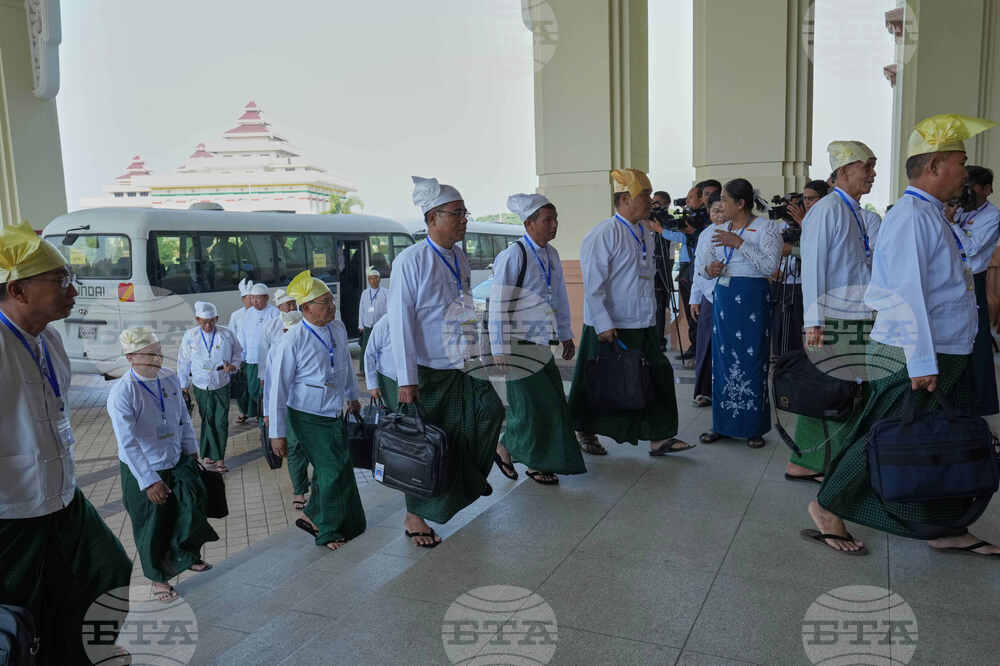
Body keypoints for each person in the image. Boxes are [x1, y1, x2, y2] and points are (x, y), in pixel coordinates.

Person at [804, 113, 1000, 557]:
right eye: (959, 161)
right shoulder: (912, 216)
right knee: (887, 431)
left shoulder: (932, 214)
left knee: (937, 441)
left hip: (943, 350)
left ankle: (945, 525)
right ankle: (825, 506)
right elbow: (905, 295)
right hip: (916, 353)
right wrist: (923, 362)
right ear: (933, 166)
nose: (965, 171)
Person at [0, 222, 133, 665]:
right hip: (12, 510)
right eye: (60, 281)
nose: (72, 290)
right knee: (19, 609)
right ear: (17, 290)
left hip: (62, 496)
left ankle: (78, 653)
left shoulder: (50, 340)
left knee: (108, 569)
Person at [389, 176, 505, 548]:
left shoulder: (458, 257)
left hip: (464, 363)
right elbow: (400, 323)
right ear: (433, 217)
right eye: (457, 213)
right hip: (428, 371)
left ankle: (468, 480)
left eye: (464, 213)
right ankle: (414, 515)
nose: (464, 219)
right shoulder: (410, 261)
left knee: (490, 412)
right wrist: (407, 380)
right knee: (424, 447)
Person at [567, 168, 694, 457]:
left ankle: (659, 436)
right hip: (610, 325)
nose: (650, 200)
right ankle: (584, 429)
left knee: (656, 375)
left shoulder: (644, 231)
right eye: (645, 195)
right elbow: (594, 285)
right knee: (600, 381)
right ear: (625, 199)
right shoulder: (603, 234)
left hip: (642, 321)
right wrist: (603, 323)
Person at [789, 141, 878, 482]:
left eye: (872, 166)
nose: (872, 174)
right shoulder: (827, 210)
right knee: (839, 392)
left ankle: (811, 461)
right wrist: (814, 323)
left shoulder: (853, 210)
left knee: (836, 390)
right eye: (866, 167)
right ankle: (826, 463)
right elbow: (813, 268)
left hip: (856, 314)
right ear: (843, 172)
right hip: (836, 318)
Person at [108, 327, 219, 601]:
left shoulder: (169, 379)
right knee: (153, 524)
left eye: (159, 353)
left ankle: (187, 555)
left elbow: (182, 417)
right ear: (131, 357)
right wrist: (149, 481)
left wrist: (191, 450)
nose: (158, 360)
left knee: (189, 508)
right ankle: (159, 578)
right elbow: (128, 443)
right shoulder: (123, 392)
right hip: (144, 466)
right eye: (150, 355)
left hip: (175, 457)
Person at [489, 193, 586, 486]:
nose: (554, 225)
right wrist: (499, 346)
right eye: (548, 220)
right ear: (529, 223)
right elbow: (498, 303)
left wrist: (566, 334)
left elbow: (559, 298)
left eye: (555, 219)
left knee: (551, 403)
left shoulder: (551, 255)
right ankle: (522, 456)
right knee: (530, 407)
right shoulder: (514, 255)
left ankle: (509, 449)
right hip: (517, 343)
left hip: (541, 342)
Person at [268, 270, 366, 550]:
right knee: (332, 470)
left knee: (337, 468)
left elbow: (345, 363)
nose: (332, 307)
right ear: (306, 308)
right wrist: (277, 433)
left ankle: (317, 516)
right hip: (307, 416)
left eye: (331, 301)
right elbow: (278, 390)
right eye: (325, 303)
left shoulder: (336, 328)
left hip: (334, 411)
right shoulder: (293, 340)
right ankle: (328, 530)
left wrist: (352, 395)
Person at [698, 179, 782, 448]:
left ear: (741, 203)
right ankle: (722, 424)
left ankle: (753, 427)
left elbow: (770, 266)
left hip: (752, 298)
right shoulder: (718, 229)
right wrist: (708, 269)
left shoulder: (767, 228)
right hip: (724, 297)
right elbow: (703, 263)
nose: (720, 204)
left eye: (725, 199)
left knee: (753, 358)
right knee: (722, 360)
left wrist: (739, 244)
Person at [952, 165, 1000, 415]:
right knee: (956, 340)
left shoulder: (992, 216)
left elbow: (972, 249)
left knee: (978, 343)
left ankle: (981, 403)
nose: (990, 191)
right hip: (953, 280)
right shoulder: (959, 209)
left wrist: (953, 224)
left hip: (974, 281)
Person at [177, 301, 242, 473]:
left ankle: (220, 458)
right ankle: (208, 454)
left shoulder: (227, 334)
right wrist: (183, 385)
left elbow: (238, 353)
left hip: (221, 383)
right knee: (207, 419)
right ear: (197, 320)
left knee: (220, 421)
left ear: (217, 319)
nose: (208, 325)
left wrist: (234, 366)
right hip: (201, 384)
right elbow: (183, 361)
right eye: (204, 322)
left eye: (211, 321)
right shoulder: (190, 336)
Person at [261, 308, 310, 512]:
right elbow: (271, 387)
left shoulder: (311, 344)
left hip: (311, 408)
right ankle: (299, 491)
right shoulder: (277, 349)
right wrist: (268, 413)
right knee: (295, 448)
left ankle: (317, 487)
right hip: (288, 407)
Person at [689, 191, 727, 407]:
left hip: (731, 297)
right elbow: (698, 269)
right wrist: (695, 298)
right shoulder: (705, 235)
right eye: (715, 211)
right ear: (708, 212)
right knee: (706, 344)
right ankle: (704, 391)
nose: (719, 215)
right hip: (709, 297)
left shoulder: (739, 232)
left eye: (723, 210)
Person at [238, 282, 279, 422]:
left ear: (266, 298)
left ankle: (266, 418)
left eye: (258, 298)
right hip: (251, 360)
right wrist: (241, 357)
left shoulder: (274, 313)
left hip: (268, 361)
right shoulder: (248, 313)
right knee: (253, 391)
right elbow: (242, 336)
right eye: (252, 298)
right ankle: (261, 413)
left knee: (266, 390)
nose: (254, 301)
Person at [651, 190, 674, 351]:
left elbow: (672, 245)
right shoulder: (647, 220)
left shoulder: (670, 221)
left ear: (666, 204)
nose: (654, 205)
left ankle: (659, 341)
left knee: (660, 306)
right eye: (652, 202)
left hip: (664, 267)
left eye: (657, 202)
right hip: (649, 266)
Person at [229, 278, 253, 423]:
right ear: (243, 299)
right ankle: (244, 411)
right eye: (248, 298)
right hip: (241, 357)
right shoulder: (236, 315)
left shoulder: (261, 313)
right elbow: (232, 335)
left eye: (252, 298)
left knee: (254, 386)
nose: (250, 301)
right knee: (241, 386)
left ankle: (256, 411)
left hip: (256, 357)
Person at [363, 313, 398, 410]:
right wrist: (372, 385)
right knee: (394, 413)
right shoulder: (384, 322)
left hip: (414, 377)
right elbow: (369, 355)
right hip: (390, 379)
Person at [358, 266, 389, 366]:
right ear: (368, 280)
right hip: (368, 326)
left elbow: (389, 310)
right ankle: (363, 369)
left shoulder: (386, 293)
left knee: (380, 347)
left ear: (379, 279)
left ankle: (378, 367)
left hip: (380, 326)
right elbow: (361, 310)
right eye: (371, 278)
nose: (373, 280)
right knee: (366, 347)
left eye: (375, 278)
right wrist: (361, 325)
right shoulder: (365, 293)